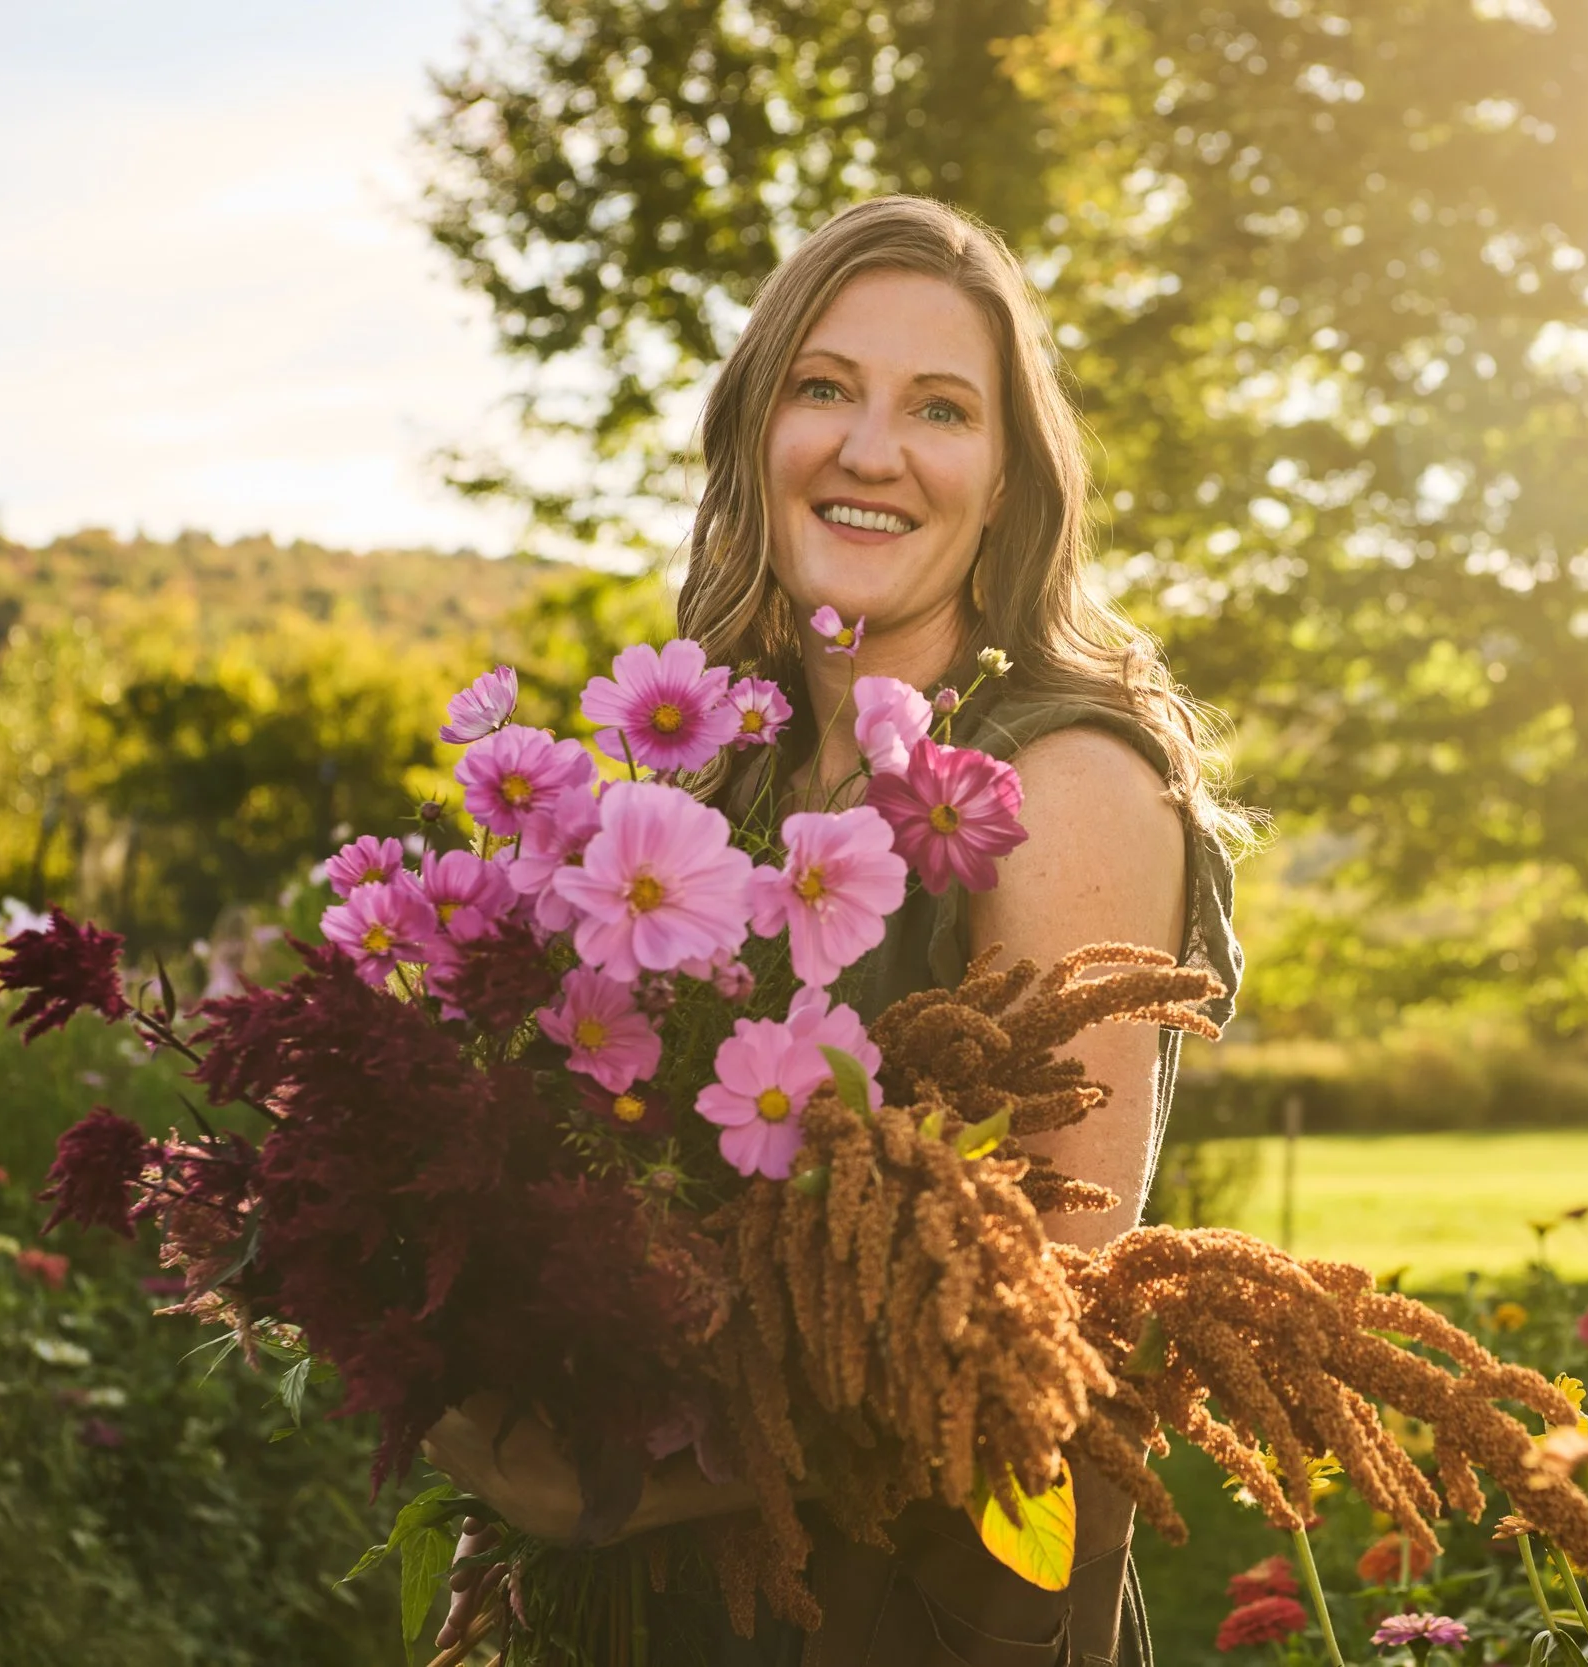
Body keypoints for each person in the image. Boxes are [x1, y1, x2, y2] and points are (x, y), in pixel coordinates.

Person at [422, 195, 1249, 1666]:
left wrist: (621, 1478)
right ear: (756, 432)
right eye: (825, 388)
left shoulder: (1058, 780)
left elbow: (1040, 1320)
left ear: (1004, 483)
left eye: (940, 408)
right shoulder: (719, 782)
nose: (872, 450)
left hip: (920, 1609)